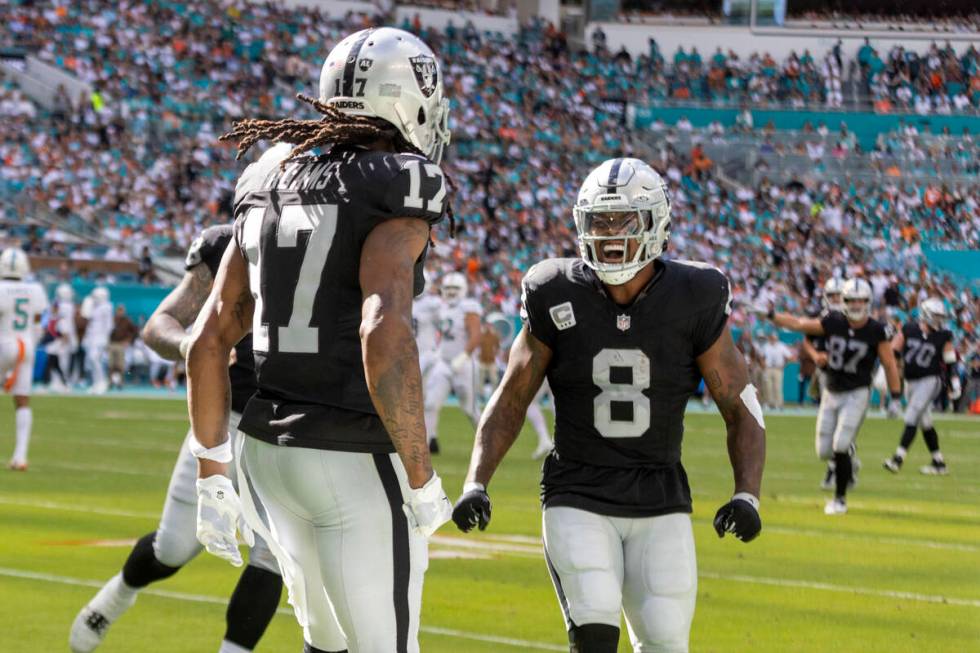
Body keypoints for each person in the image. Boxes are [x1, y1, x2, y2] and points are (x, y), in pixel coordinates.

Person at [185, 27, 453, 653]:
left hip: (266, 457)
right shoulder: (397, 181)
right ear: (404, 101)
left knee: (324, 645)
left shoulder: (268, 176)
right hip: (351, 453)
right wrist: (420, 476)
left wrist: (210, 475)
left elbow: (208, 335)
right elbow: (383, 331)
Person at [452, 158, 766, 653]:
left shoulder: (694, 295)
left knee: (665, 641)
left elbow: (739, 405)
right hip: (578, 491)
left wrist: (747, 493)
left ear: (655, 223)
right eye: (599, 221)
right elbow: (512, 395)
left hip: (660, 496)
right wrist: (476, 481)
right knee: (595, 632)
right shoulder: (554, 289)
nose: (610, 234)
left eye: (624, 221)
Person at [69, 227, 343, 653]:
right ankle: (114, 597)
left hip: (292, 427)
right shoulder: (228, 241)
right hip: (223, 420)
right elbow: (162, 322)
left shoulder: (336, 234)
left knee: (273, 556)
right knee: (173, 548)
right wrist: (189, 345)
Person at [763, 278, 901, 515]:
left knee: (840, 444)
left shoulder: (876, 330)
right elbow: (799, 324)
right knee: (824, 451)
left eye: (861, 300)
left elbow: (889, 364)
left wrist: (895, 397)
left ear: (868, 302)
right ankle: (850, 463)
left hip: (857, 392)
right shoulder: (833, 321)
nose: (856, 305)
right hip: (831, 391)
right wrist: (772, 316)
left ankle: (840, 500)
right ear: (844, 301)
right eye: (851, 300)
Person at [883, 297, 957, 475]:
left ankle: (897, 459)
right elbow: (894, 351)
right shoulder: (909, 329)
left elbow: (950, 362)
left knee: (912, 415)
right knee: (925, 422)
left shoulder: (943, 335)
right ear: (925, 314)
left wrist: (953, 382)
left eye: (941, 317)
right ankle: (938, 462)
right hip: (911, 382)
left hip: (931, 380)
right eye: (936, 316)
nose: (939, 320)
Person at [0, 248, 48, 470]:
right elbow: (38, 324)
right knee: (22, 400)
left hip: (4, 343)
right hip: (26, 345)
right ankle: (20, 457)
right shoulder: (35, 289)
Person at [423, 271, 482, 452]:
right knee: (430, 404)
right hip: (443, 362)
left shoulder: (468, 307)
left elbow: (476, 336)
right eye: (447, 288)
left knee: (469, 409)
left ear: (463, 289)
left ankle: (487, 443)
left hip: (464, 363)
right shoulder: (441, 307)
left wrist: (463, 356)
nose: (451, 291)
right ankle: (426, 445)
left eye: (455, 288)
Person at [81, 287, 113, 394]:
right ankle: (96, 383)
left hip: (100, 337)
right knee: (91, 360)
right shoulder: (93, 306)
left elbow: (109, 325)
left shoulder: (107, 306)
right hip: (92, 336)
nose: (94, 298)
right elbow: (88, 319)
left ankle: (102, 382)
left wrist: (106, 339)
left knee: (94, 358)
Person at [760, 332, 795, 410]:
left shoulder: (781, 346)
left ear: (777, 338)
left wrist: (784, 365)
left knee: (777, 387)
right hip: (768, 368)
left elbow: (789, 357)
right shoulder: (766, 346)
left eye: (774, 337)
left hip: (778, 369)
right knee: (767, 387)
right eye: (771, 337)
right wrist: (763, 366)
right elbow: (762, 357)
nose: (772, 339)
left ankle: (778, 404)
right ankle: (769, 404)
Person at [107, 304, 138, 390]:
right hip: (112, 343)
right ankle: (110, 381)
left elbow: (135, 331)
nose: (120, 312)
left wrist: (128, 340)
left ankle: (120, 382)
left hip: (121, 344)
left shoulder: (127, 320)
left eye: (121, 310)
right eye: (119, 310)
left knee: (120, 365)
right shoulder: (112, 319)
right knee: (111, 365)